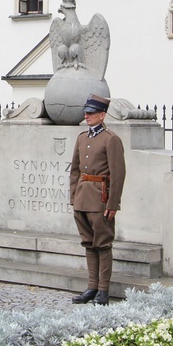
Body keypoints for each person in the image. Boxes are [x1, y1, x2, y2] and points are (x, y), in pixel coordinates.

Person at [69, 94, 126, 306]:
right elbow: (74, 169)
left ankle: (103, 291)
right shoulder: (82, 138)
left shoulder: (111, 139)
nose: (87, 115)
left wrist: (112, 204)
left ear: (102, 115)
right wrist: (74, 196)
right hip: (82, 198)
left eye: (91, 112)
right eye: (86, 112)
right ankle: (92, 286)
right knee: (88, 244)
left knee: (102, 245)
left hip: (100, 199)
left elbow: (118, 174)